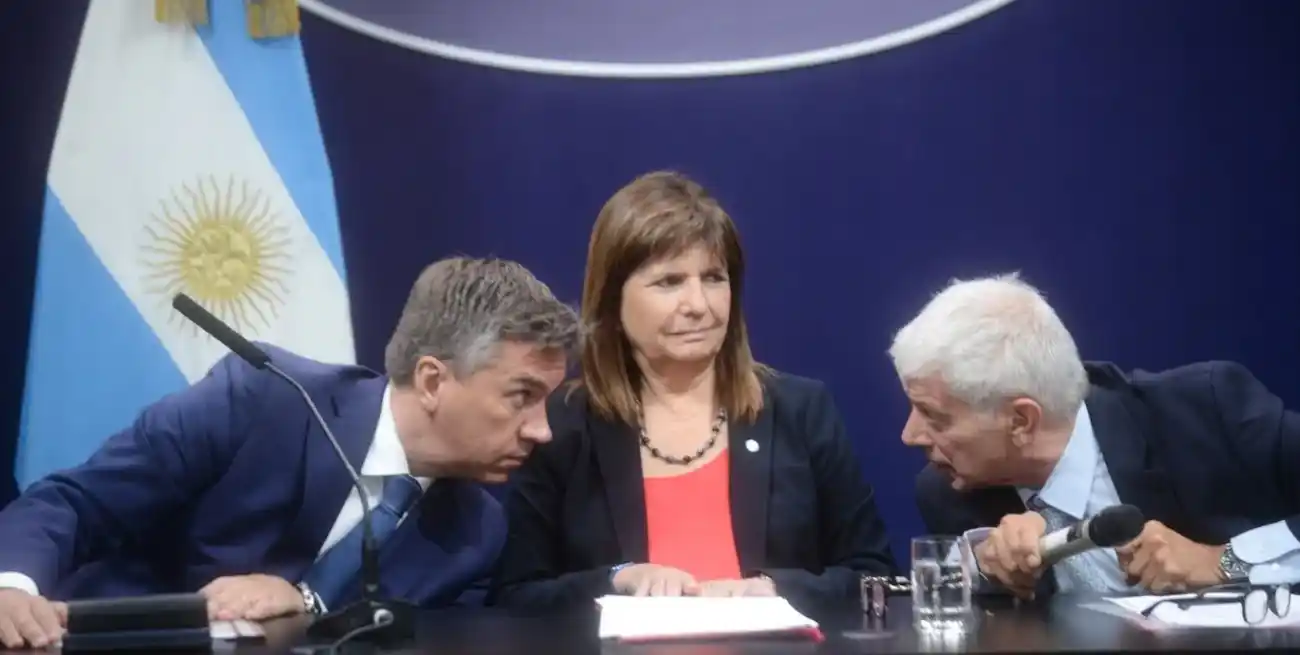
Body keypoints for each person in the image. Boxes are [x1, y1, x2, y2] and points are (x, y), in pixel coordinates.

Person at [0, 256, 580, 649]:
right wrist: (12, 589)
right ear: (432, 381)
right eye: (521, 397)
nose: (542, 431)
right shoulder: (262, 399)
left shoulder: (477, 532)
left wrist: (304, 601)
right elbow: (74, 504)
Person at [489, 171, 897, 610]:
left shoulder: (799, 410)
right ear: (613, 300)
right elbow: (514, 597)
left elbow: (876, 577)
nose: (698, 305)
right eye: (669, 282)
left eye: (714, 278)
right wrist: (616, 580)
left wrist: (776, 590)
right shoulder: (564, 426)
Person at [893, 273, 1300, 600]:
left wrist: (1224, 561)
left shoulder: (1207, 410)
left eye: (934, 416)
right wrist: (984, 568)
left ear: (1021, 420)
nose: (909, 435)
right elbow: (944, 599)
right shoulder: (947, 491)